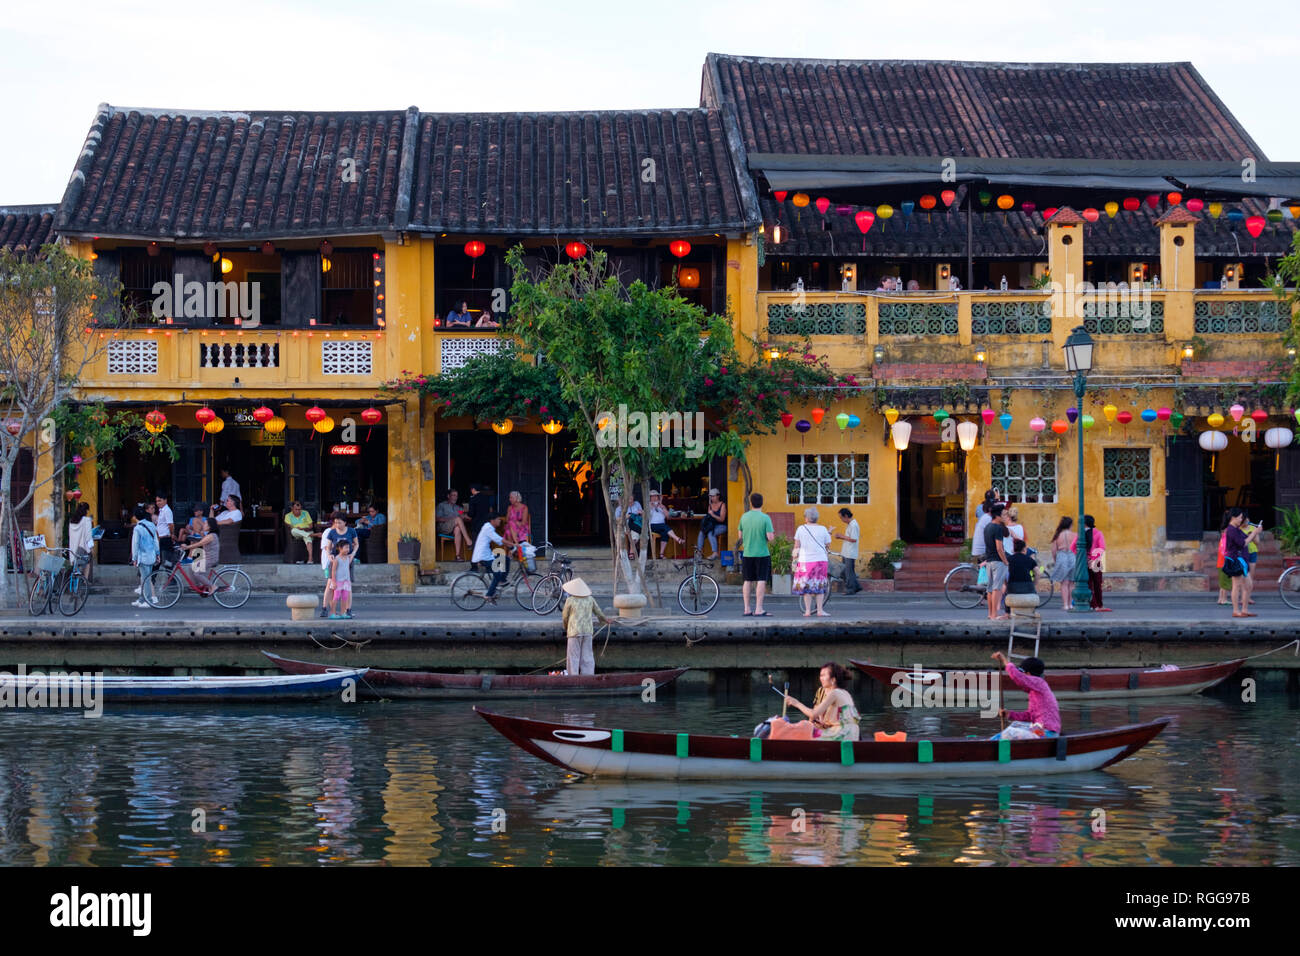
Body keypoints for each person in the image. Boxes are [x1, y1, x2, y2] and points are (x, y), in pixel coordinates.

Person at [780, 663, 861, 741]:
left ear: (833, 679)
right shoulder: (845, 693)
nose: (820, 678)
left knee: (802, 734)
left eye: (823, 675)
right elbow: (841, 720)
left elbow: (813, 714)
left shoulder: (834, 693)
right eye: (820, 675)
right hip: (852, 734)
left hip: (842, 734)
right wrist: (823, 724)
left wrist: (796, 703)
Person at [991, 651, 1061, 738]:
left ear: (1028, 674)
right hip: (1039, 730)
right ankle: (990, 742)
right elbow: (1030, 716)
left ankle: (990, 746)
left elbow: (1018, 677)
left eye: (1021, 672)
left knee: (1011, 732)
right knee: (1015, 725)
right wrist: (1009, 714)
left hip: (1047, 733)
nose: (1021, 674)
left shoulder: (1039, 682)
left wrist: (1004, 660)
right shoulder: (1035, 691)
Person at [559, 577, 610, 676]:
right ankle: (588, 676)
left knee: (573, 656)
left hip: (574, 632)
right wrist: (605, 620)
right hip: (587, 631)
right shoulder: (590, 599)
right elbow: (598, 612)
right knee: (587, 656)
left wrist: (566, 627)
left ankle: (572, 677)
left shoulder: (570, 600)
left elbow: (565, 616)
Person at [737, 492, 775, 617]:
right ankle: (759, 609)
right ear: (762, 503)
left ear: (751, 503)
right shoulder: (765, 518)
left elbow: (740, 536)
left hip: (747, 553)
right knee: (761, 580)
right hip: (762, 554)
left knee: (747, 581)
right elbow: (770, 537)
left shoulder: (744, 517)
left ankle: (747, 609)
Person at [792, 506, 833, 617]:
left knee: (806, 586)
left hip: (805, 561)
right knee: (819, 586)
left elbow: (796, 546)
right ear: (817, 518)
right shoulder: (823, 529)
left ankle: (808, 611)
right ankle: (819, 611)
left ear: (806, 518)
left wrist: (794, 562)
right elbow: (828, 544)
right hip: (820, 560)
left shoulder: (801, 529)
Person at [320, 511, 358, 618]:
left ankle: (347, 610)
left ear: (345, 522)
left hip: (347, 561)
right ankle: (325, 608)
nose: (338, 525)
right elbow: (328, 547)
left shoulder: (351, 531)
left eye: (340, 523)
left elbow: (356, 544)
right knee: (331, 585)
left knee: (347, 585)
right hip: (335, 561)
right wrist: (329, 556)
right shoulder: (331, 532)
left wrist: (353, 554)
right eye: (336, 522)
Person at [1223, 508, 1259, 618]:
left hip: (1242, 560)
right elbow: (1242, 543)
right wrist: (1254, 533)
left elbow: (1247, 540)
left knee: (1248, 585)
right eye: (1240, 517)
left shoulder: (1236, 529)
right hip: (1235, 560)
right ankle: (1236, 610)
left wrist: (1253, 532)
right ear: (1233, 517)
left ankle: (1244, 609)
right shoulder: (1231, 529)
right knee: (1236, 585)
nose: (1241, 519)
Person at [471, 515, 510, 602]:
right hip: (483, 557)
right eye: (498, 519)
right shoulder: (488, 528)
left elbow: (500, 540)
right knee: (497, 574)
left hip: (487, 555)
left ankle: (502, 580)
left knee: (506, 559)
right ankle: (488, 595)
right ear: (492, 520)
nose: (500, 521)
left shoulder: (489, 527)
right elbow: (499, 539)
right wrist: (513, 545)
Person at [983, 503, 1011, 620]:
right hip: (998, 561)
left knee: (990, 589)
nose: (1004, 517)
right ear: (998, 516)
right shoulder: (998, 528)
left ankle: (990, 613)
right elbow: (999, 548)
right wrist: (1005, 561)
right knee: (997, 588)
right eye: (1003, 514)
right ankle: (994, 614)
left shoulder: (987, 527)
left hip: (989, 561)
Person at [129, 504, 160, 609]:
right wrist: (157, 554)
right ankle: (142, 599)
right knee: (145, 578)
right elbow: (156, 541)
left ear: (136, 517)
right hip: (151, 555)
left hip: (142, 556)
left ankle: (149, 600)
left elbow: (135, 544)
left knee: (145, 579)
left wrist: (134, 558)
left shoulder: (137, 528)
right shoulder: (151, 525)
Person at [182, 518, 221, 592]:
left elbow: (200, 544)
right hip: (206, 558)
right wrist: (201, 535)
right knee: (190, 567)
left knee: (197, 574)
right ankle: (197, 586)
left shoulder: (211, 536)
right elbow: (202, 541)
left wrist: (187, 547)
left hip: (211, 559)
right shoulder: (208, 535)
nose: (203, 525)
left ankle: (213, 586)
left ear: (210, 526)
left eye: (205, 524)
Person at [1048, 516, 1077, 611]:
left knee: (1064, 583)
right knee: (1072, 583)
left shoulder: (1057, 536)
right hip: (1073, 557)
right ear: (1070, 525)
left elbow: (1053, 551)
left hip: (1062, 556)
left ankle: (1065, 605)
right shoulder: (1075, 535)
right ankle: (1071, 604)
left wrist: (1056, 560)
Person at [1082, 514, 1110, 611]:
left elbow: (1074, 548)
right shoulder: (1098, 533)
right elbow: (1102, 547)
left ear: (1084, 524)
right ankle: (1100, 605)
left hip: (1086, 561)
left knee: (1089, 584)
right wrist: (1094, 559)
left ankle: (1094, 605)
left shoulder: (1080, 534)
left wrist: (1084, 557)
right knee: (1098, 584)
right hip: (1097, 561)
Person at [436, 488, 472, 560]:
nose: (455, 497)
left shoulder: (458, 508)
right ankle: (468, 541)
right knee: (457, 519)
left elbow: (465, 516)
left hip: (453, 530)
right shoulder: (442, 505)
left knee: (458, 528)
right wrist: (452, 519)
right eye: (453, 495)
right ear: (448, 496)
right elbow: (437, 518)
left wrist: (467, 516)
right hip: (443, 527)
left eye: (456, 496)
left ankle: (457, 556)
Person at [646, 490, 683, 558]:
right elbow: (647, 516)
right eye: (652, 496)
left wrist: (662, 507)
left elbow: (668, 516)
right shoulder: (648, 506)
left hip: (661, 526)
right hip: (652, 526)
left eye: (655, 496)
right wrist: (652, 506)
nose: (654, 498)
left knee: (665, 534)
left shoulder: (662, 506)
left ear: (658, 497)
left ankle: (661, 554)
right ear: (650, 498)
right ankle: (677, 538)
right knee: (665, 527)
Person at [834, 507, 861, 595]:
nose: (841, 520)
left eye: (841, 518)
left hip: (850, 552)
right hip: (847, 552)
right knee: (847, 571)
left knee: (848, 572)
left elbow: (854, 539)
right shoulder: (850, 524)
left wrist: (841, 536)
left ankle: (850, 589)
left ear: (846, 516)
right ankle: (856, 586)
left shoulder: (853, 525)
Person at [68, 502, 94, 583]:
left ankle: (75, 581)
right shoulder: (86, 520)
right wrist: (91, 547)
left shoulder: (72, 520)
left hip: (73, 548)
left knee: (76, 564)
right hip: (82, 547)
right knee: (88, 563)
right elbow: (88, 536)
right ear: (86, 511)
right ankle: (85, 581)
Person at [329, 540, 355, 619]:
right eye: (346, 547)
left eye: (348, 547)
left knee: (345, 597)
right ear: (340, 548)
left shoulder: (348, 558)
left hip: (346, 581)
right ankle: (333, 613)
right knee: (336, 597)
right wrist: (333, 582)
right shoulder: (337, 559)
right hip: (338, 581)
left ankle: (343, 613)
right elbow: (333, 571)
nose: (348, 549)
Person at [697, 489, 727, 558]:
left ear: (718, 496)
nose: (712, 498)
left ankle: (715, 553)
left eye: (713, 496)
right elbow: (709, 519)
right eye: (710, 496)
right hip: (712, 526)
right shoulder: (710, 506)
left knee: (711, 533)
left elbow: (722, 519)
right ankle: (699, 553)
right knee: (702, 532)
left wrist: (713, 515)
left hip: (722, 526)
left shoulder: (722, 505)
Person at [154, 492, 174, 556]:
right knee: (161, 559)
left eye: (160, 500)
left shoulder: (167, 510)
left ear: (165, 500)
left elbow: (171, 524)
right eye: (157, 501)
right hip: (161, 538)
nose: (158, 503)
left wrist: (171, 534)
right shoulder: (161, 510)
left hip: (166, 538)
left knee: (167, 560)